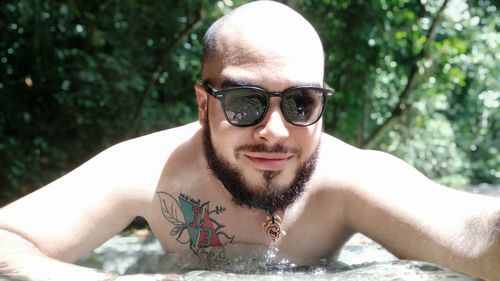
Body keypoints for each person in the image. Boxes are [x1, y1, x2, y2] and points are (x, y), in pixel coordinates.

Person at [1, 1, 499, 280]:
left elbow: (474, 237)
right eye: (245, 102)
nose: (275, 131)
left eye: (301, 103)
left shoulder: (350, 179)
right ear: (203, 105)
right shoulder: (148, 171)